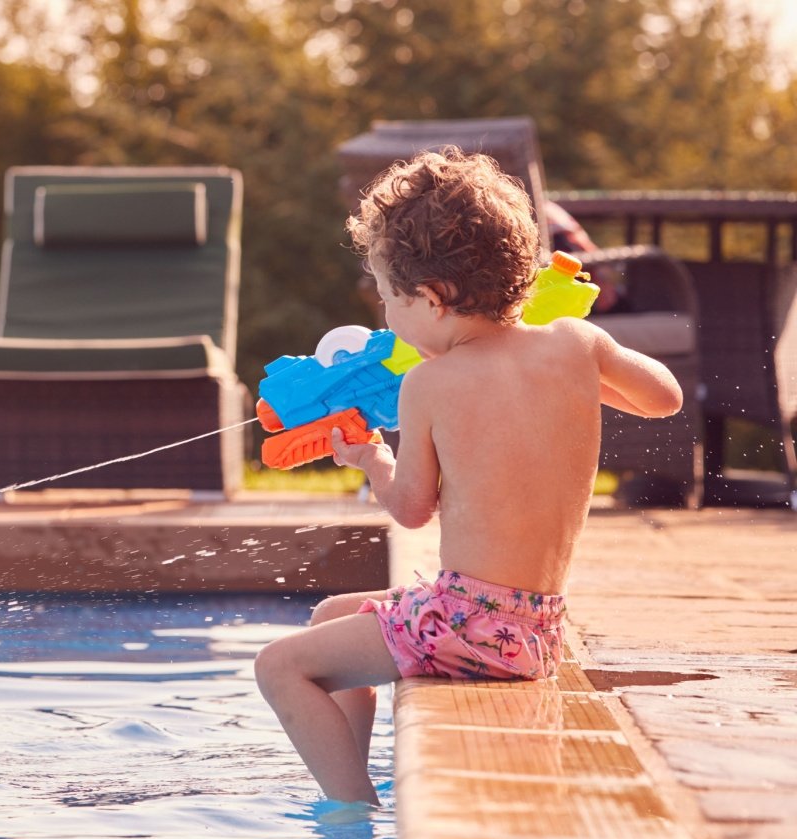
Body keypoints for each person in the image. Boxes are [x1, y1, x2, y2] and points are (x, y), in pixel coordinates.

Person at [252, 148, 683, 805]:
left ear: (432, 299)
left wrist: (371, 459)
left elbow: (412, 508)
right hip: (535, 630)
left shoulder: (430, 382)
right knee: (329, 618)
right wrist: (584, 376)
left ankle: (349, 811)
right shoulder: (576, 343)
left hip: (464, 624)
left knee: (280, 666)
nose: (388, 319)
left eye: (389, 301)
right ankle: (355, 769)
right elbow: (665, 399)